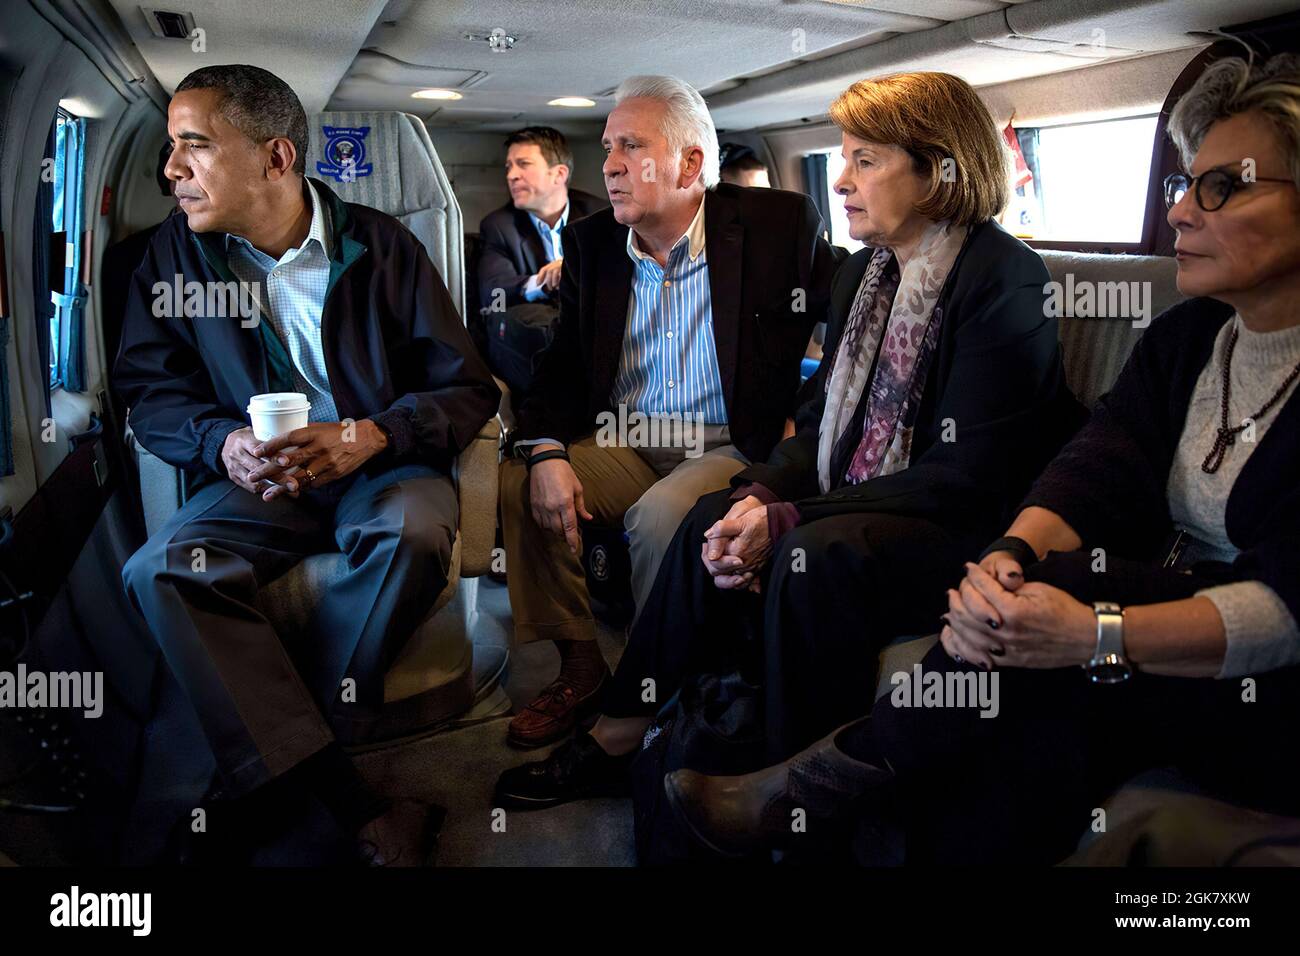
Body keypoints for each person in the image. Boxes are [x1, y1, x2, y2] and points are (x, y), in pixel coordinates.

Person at [666, 53, 1300, 866]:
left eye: (1225, 187)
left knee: (1029, 620)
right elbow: (1097, 465)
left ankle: (813, 793)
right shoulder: (1190, 336)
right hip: (1154, 592)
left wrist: (1094, 632)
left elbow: (1289, 607)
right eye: (1184, 187)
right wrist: (1009, 556)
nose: (1181, 214)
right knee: (1012, 723)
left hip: (1268, 677)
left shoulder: (1002, 276)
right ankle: (774, 780)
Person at [496, 70, 1080, 807]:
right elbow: (824, 415)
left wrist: (790, 513)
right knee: (718, 513)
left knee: (805, 548)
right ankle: (624, 725)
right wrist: (763, 490)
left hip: (959, 516)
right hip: (841, 488)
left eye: (865, 161)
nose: (841, 181)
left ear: (939, 173)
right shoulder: (866, 273)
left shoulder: (1006, 277)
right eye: (842, 158)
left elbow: (968, 469)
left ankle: (781, 776)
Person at [114, 64, 499, 865]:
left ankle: (268, 770)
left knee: (416, 535)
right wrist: (221, 442)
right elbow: (149, 397)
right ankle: (344, 795)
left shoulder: (382, 247)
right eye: (169, 148)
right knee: (161, 569)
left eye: (193, 146)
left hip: (380, 464)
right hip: (260, 480)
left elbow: (466, 389)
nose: (171, 171)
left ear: (275, 158)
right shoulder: (173, 261)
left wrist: (372, 435)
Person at [498, 75, 837, 748]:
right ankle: (583, 666)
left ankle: (665, 698)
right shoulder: (594, 246)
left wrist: (802, 422)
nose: (612, 165)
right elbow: (561, 367)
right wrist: (546, 450)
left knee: (660, 520)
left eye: (631, 145)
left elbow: (846, 339)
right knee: (518, 484)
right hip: (623, 435)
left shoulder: (778, 226)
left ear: (690, 164)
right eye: (606, 148)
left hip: (728, 441)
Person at [477, 126, 608, 310]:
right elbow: (492, 295)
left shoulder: (600, 215)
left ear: (559, 174)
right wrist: (544, 282)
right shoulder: (499, 226)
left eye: (523, 164)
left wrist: (571, 268)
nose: (511, 175)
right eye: (509, 167)